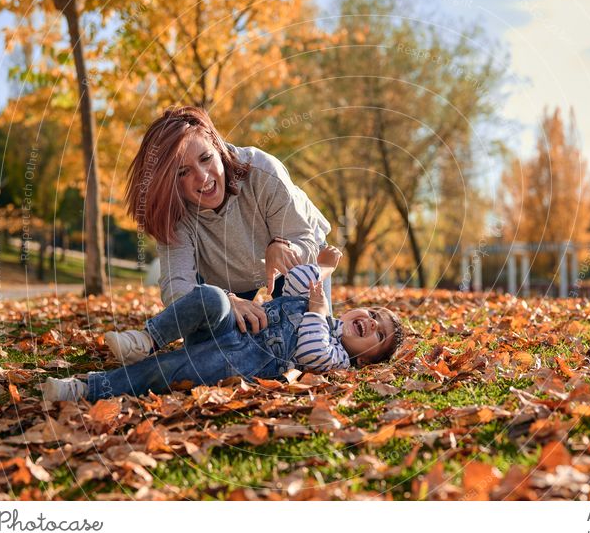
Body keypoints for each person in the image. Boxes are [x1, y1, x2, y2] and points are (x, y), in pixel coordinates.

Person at [42, 246, 404, 402]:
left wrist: (317, 307)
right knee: (212, 295)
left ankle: (87, 389)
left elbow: (311, 353)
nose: (371, 323)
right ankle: (147, 338)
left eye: (379, 333)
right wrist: (325, 270)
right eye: (373, 314)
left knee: (168, 370)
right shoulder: (321, 306)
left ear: (367, 360)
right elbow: (294, 281)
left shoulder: (337, 357)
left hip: (239, 362)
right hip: (231, 328)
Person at [126, 105, 331, 336]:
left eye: (206, 158)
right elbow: (178, 287)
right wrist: (223, 301)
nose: (203, 177)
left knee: (311, 340)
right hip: (225, 279)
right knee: (208, 344)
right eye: (183, 172)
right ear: (169, 182)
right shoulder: (174, 211)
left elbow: (304, 239)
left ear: (218, 146)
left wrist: (284, 247)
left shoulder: (262, 172)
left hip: (291, 266)